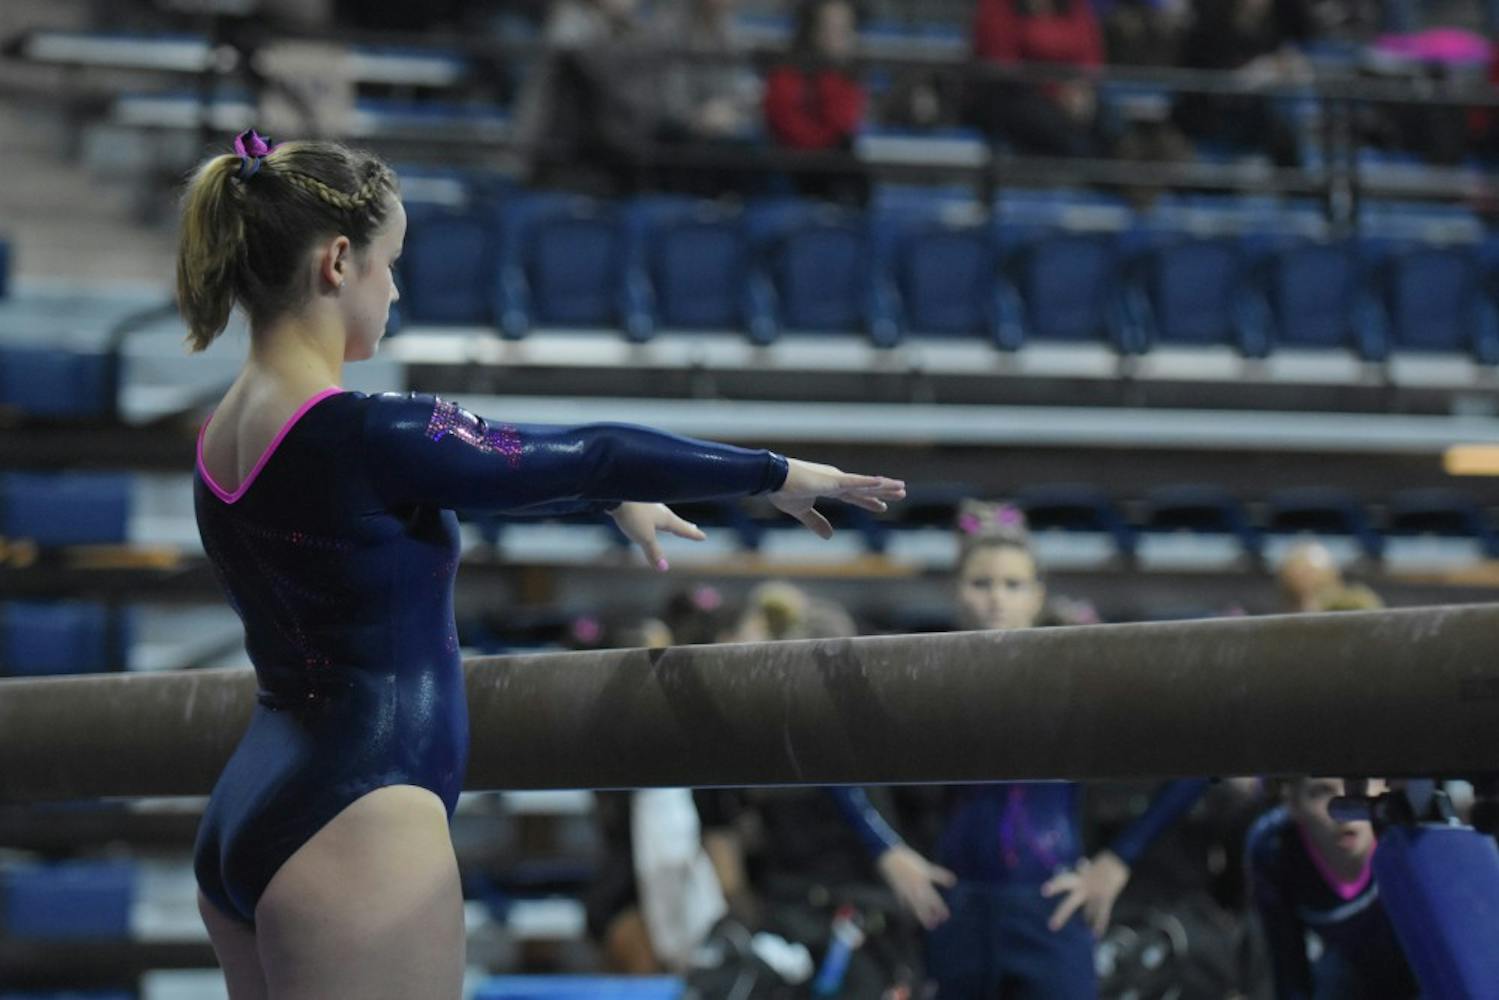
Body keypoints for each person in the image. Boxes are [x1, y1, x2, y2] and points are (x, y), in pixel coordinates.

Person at [180, 129, 907, 999]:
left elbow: (499, 482)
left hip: (254, 800)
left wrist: (607, 497)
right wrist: (775, 474)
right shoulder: (367, 432)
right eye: (390, 264)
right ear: (338, 262)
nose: (395, 289)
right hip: (357, 814)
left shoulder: (222, 436)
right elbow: (592, 453)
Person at [828, 501, 1207, 999]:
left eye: (1013, 585)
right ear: (956, 590)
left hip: (1052, 911)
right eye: (981, 583)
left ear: (1037, 595)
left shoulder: (1080, 681)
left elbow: (1203, 753)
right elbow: (823, 742)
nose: (996, 599)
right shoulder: (923, 676)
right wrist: (888, 851)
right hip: (955, 910)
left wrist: (1119, 860)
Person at [1245, 777, 1419, 998]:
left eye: (1362, 785)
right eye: (1321, 792)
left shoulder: (1412, 833)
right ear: (1293, 804)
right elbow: (1287, 967)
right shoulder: (1274, 847)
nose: (1344, 811)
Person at [763, 0, 870, 204]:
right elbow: (788, 128)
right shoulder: (785, 77)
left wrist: (834, 75)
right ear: (812, 30)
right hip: (792, 170)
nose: (837, 37)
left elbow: (843, 124)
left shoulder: (848, 79)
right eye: (829, 28)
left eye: (845, 29)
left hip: (834, 170)